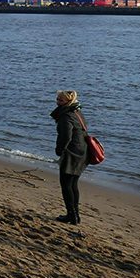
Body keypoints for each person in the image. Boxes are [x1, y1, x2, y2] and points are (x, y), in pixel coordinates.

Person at [52, 90, 88, 225]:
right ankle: (75, 216)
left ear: (68, 102)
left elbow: (65, 136)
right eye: (57, 99)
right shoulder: (77, 112)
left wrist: (59, 150)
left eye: (60, 100)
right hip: (82, 151)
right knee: (72, 184)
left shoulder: (66, 116)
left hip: (72, 153)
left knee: (66, 184)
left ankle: (71, 216)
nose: (57, 102)